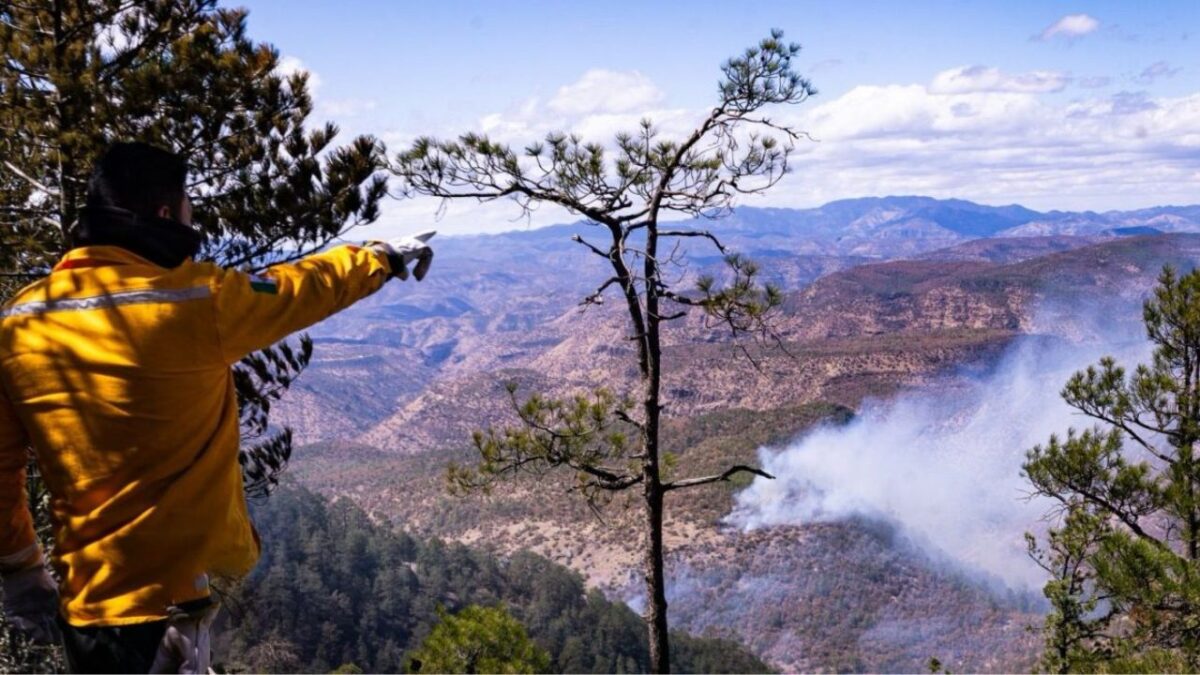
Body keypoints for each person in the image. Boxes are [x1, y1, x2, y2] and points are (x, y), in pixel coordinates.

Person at [0, 142, 432, 673]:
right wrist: (380, 257)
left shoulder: (17, 321)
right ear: (164, 213)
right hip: (169, 608)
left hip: (88, 608)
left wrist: (22, 570)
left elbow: (2, 470)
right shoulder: (191, 302)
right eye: (187, 207)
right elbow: (301, 288)